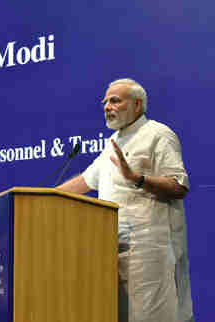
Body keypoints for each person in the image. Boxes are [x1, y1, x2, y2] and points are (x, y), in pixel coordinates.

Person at [58, 78, 193, 322]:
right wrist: (44, 197)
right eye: (105, 102)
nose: (106, 106)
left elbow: (178, 185)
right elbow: (86, 181)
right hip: (112, 252)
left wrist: (138, 179)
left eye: (115, 101)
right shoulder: (113, 144)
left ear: (138, 104)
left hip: (151, 255)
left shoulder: (158, 135)